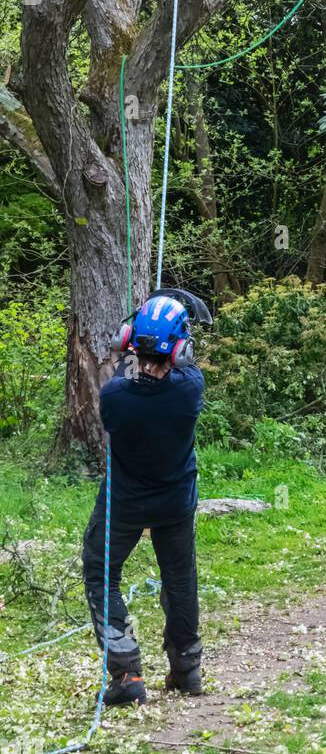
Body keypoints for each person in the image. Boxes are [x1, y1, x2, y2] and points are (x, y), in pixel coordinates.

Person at [82, 294, 205, 705]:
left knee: (102, 573)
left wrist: (127, 351)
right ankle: (187, 669)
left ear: (131, 343)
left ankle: (127, 673)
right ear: (180, 349)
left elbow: (127, 379)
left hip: (126, 504)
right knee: (180, 580)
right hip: (175, 501)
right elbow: (169, 373)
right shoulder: (190, 390)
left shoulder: (116, 396)